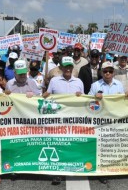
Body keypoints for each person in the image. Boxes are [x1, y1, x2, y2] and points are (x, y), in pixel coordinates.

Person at [42, 56, 83, 185]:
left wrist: (81, 97)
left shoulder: (79, 82)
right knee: (57, 145)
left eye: (70, 66)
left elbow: (84, 101)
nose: (68, 69)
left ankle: (73, 167)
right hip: (57, 120)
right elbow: (46, 97)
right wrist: (40, 97)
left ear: (72, 67)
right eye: (66, 66)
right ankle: (57, 173)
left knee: (71, 144)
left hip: (73, 120)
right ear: (61, 68)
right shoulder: (54, 81)